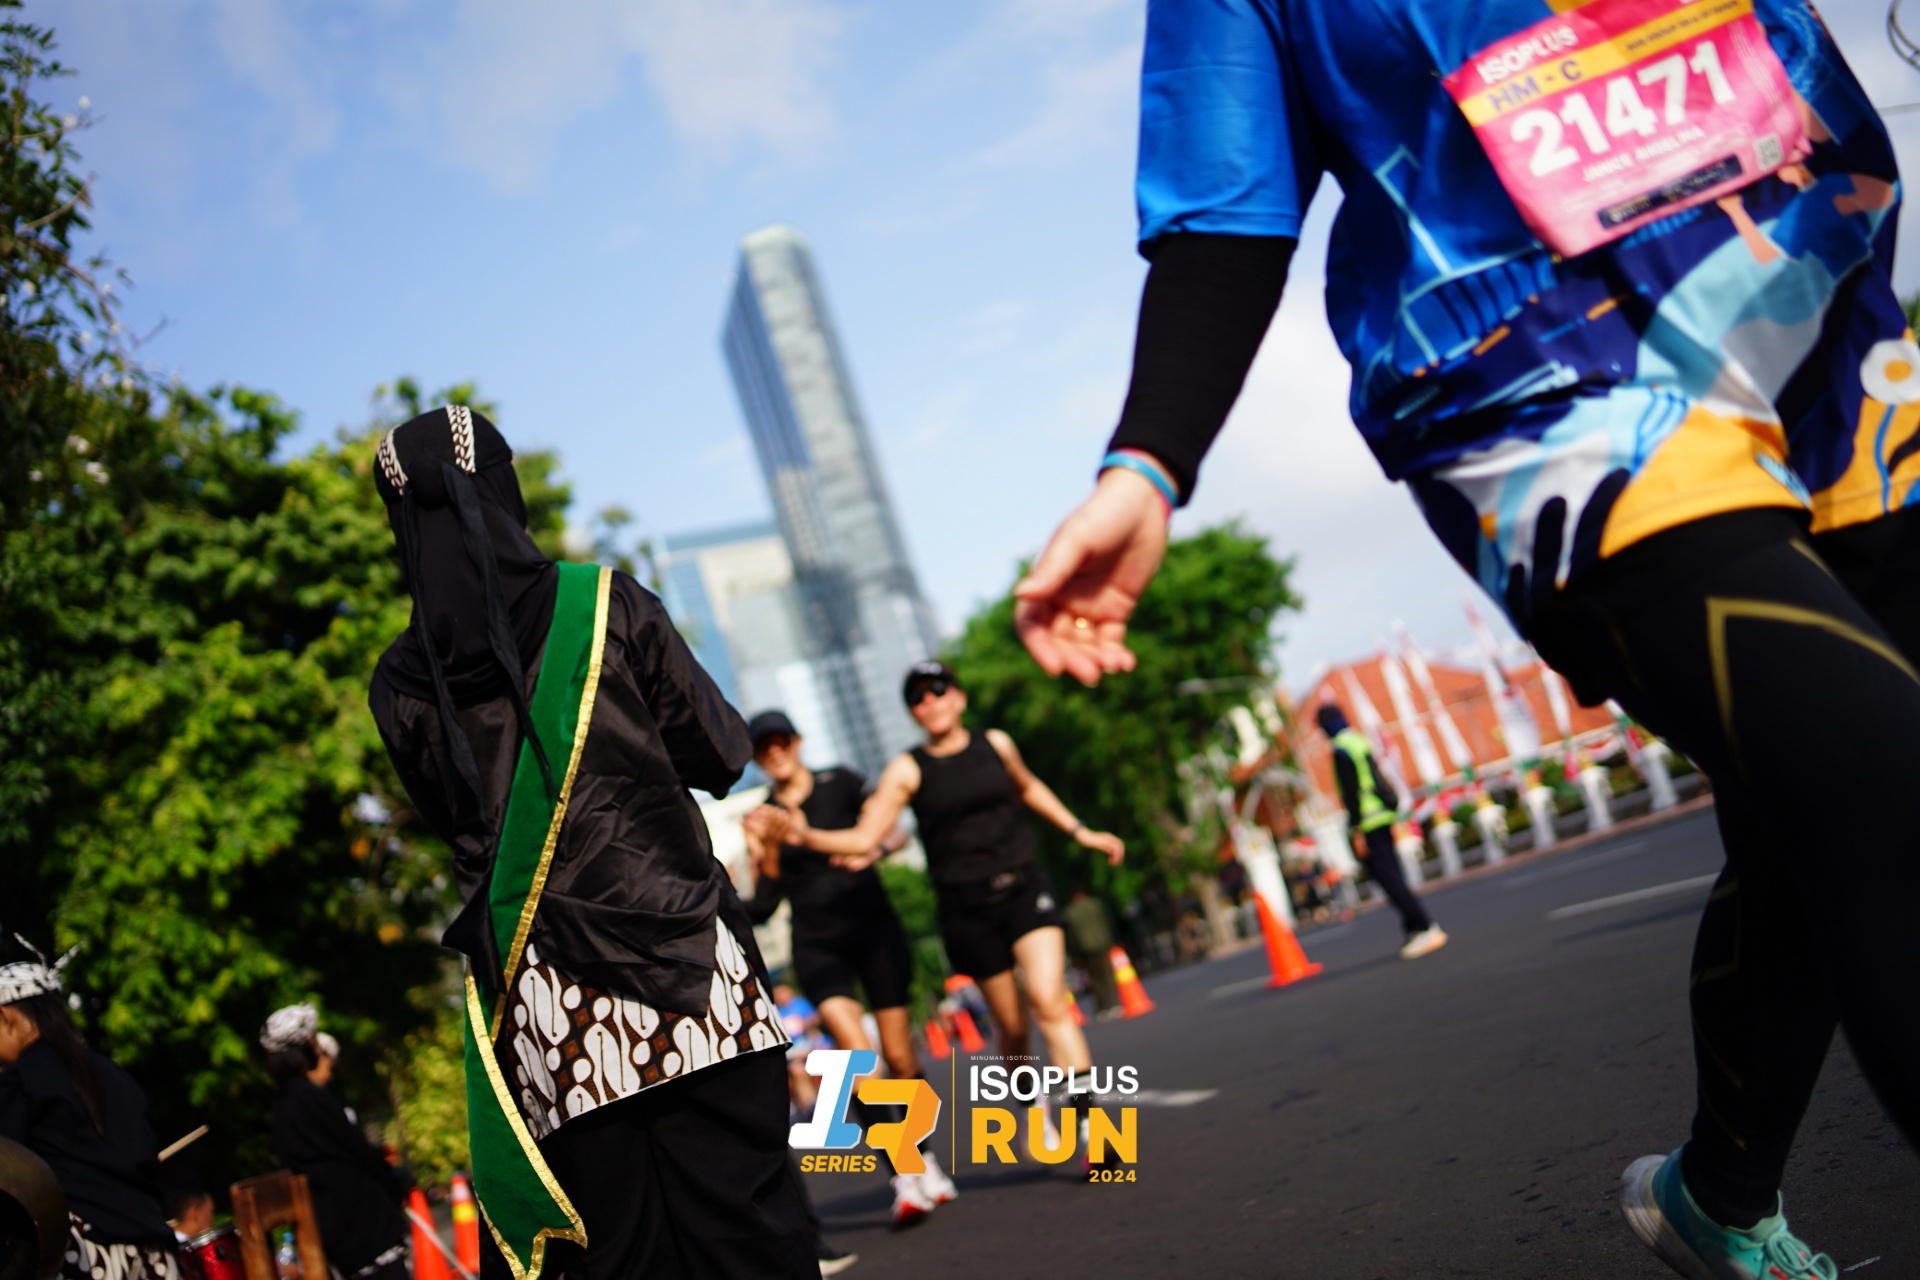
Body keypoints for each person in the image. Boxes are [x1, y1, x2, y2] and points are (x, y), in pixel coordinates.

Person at [1010, 4, 1916, 1275]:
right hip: (1542, 380)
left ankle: (1722, 1188)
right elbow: (1226, 207)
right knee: (1884, 775)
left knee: (1817, 805)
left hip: (1820, 301)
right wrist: (1148, 464)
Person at [366, 406, 808, 1280]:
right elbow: (721, 753)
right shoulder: (603, 603)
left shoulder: (400, 683)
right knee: (748, 1230)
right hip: (689, 971)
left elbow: (454, 823)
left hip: (551, 1012)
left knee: (618, 1256)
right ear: (502, 490)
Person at [786, 662, 1125, 1137]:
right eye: (917, 698)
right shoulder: (907, 769)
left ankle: (1087, 1124)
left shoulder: (996, 744)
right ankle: (1031, 1102)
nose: (930, 702)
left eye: (939, 689)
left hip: (1024, 888)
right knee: (1012, 1026)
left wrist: (1080, 830)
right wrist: (805, 835)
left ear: (960, 697)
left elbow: (1027, 786)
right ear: (912, 713)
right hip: (968, 910)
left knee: (1048, 998)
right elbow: (865, 835)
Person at [739, 711, 958, 1226]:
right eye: (763, 747)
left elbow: (895, 832)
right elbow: (764, 903)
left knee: (900, 1057)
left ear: (798, 741)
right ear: (757, 758)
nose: (775, 752)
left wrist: (873, 849)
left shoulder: (841, 781)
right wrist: (763, 848)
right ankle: (903, 1175)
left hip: (874, 931)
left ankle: (924, 1157)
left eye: (781, 741)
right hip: (819, 945)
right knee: (859, 1062)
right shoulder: (763, 816)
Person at [0, 935, 180, 1280]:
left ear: (5, 1016)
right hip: (156, 1256)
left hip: (85, 1258)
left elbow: (9, 1182)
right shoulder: (113, 1074)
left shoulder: (20, 1081)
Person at [259, 1006, 409, 1280]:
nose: (317, 1048)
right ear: (302, 1048)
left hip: (331, 1232)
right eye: (313, 1041)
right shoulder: (312, 1098)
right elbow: (357, 1149)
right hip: (364, 1222)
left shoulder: (279, 1110)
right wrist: (394, 1186)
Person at [1314, 705, 1447, 960]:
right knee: (1394, 875)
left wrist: (1356, 829)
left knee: (1388, 879)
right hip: (1382, 814)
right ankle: (1413, 927)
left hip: (1368, 821)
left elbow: (1351, 793)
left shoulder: (1341, 749)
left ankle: (1423, 926)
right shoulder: (1358, 741)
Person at [1059, 890, 1119, 1019]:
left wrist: (1075, 953)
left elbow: (1071, 935)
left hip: (1085, 948)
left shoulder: (1070, 912)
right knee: (1107, 974)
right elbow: (1106, 922)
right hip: (1102, 942)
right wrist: (1111, 940)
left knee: (1094, 978)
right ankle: (1114, 1003)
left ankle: (1102, 1007)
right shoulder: (1095, 904)